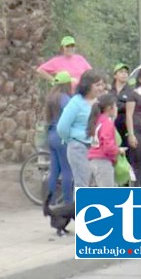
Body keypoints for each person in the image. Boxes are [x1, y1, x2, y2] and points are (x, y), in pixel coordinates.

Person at [57, 70, 106, 189]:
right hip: (79, 147)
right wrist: (72, 139)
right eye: (97, 85)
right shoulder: (76, 102)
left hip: (98, 148)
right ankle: (81, 207)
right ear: (88, 85)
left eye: (102, 84)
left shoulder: (101, 102)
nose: (101, 88)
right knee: (83, 184)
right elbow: (62, 127)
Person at [45, 71, 74, 204]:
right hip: (61, 136)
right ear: (67, 84)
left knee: (55, 171)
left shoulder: (51, 98)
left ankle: (50, 201)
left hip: (51, 135)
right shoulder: (64, 98)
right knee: (67, 170)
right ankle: (68, 202)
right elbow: (71, 115)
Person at [86, 94, 124, 187]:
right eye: (115, 106)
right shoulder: (107, 123)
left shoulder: (98, 120)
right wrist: (118, 150)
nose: (116, 108)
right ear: (109, 108)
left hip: (93, 160)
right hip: (103, 161)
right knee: (107, 195)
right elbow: (108, 146)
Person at [110, 63, 132, 148]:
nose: (124, 74)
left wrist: (118, 105)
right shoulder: (110, 90)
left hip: (125, 126)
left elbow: (130, 107)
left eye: (126, 72)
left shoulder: (131, 91)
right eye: (121, 72)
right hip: (112, 125)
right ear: (115, 75)